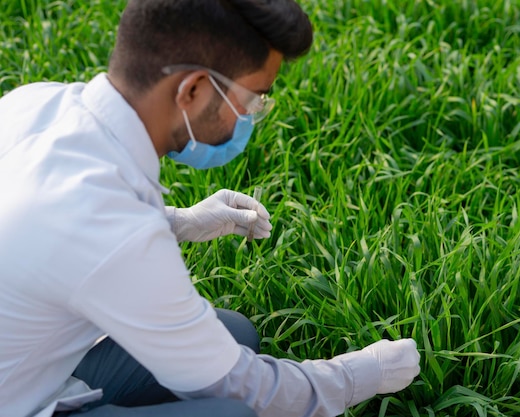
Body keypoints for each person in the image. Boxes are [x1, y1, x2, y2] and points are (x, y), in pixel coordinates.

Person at [0, 0, 421, 416]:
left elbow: (62, 233)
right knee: (232, 413)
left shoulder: (33, 104)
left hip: (29, 366)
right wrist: (358, 375)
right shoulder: (111, 229)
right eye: (254, 98)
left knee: (232, 334)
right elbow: (242, 387)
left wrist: (179, 222)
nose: (252, 115)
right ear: (194, 89)